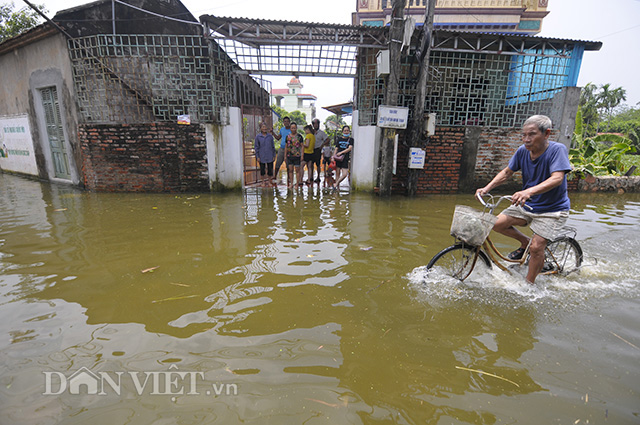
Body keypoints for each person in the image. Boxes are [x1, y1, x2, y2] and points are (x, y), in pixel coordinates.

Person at [476, 115, 572, 284]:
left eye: (532, 134)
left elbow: (557, 178)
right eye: (524, 135)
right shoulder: (522, 151)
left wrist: (529, 191)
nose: (526, 139)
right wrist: (486, 188)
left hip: (552, 210)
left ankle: (529, 285)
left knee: (536, 248)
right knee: (496, 223)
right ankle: (524, 242)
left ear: (546, 133)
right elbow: (507, 172)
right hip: (528, 204)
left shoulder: (557, 150)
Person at [254, 122, 276, 187]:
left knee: (270, 169)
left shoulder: (270, 136)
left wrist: (274, 155)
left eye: (265, 127)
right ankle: (263, 182)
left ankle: (269, 181)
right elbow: (256, 147)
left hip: (269, 155)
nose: (264, 128)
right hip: (261, 156)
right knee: (262, 169)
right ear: (260, 128)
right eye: (263, 127)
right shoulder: (258, 137)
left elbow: (273, 146)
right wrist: (257, 156)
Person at [333, 125, 354, 190]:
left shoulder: (351, 139)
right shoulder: (339, 139)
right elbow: (336, 148)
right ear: (342, 131)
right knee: (337, 173)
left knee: (344, 174)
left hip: (345, 158)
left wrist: (341, 152)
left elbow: (349, 148)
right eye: (345, 130)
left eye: (347, 130)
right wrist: (334, 156)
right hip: (338, 158)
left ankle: (336, 184)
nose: (346, 132)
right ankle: (337, 188)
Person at [284, 122, 305, 188]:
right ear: (290, 129)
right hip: (289, 156)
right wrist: (285, 155)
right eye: (292, 128)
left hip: (297, 156)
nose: (293, 129)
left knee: (297, 170)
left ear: (296, 128)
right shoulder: (288, 137)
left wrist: (302, 155)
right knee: (290, 170)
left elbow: (302, 146)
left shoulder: (299, 137)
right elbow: (286, 146)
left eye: (294, 128)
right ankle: (291, 183)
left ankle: (297, 184)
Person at [272, 117, 292, 184]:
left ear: (289, 122)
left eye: (287, 121)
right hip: (282, 148)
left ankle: (289, 178)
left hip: (289, 149)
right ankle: (274, 176)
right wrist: (272, 132)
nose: (286, 123)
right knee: (278, 163)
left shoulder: (291, 130)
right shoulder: (282, 129)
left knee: (288, 165)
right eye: (285, 121)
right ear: (283, 122)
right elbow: (278, 138)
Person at [312, 118, 328, 183]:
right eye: (314, 124)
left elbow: (327, 139)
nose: (316, 125)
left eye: (317, 124)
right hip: (311, 150)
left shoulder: (322, 133)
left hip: (318, 149)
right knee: (310, 164)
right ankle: (311, 177)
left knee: (318, 164)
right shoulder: (311, 132)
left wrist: (322, 145)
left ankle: (318, 177)